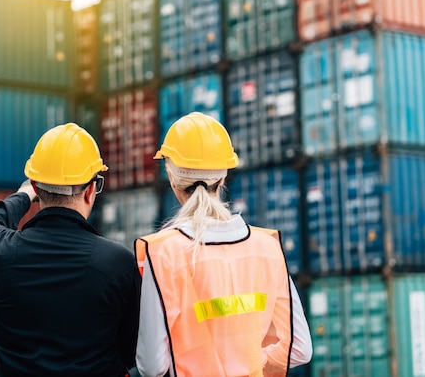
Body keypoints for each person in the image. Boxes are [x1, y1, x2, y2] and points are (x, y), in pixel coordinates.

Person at [134, 112, 312, 377]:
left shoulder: (164, 252)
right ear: (223, 178)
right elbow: (299, 349)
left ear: (171, 177)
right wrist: (251, 361)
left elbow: (152, 366)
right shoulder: (266, 247)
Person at [0, 122, 141, 377]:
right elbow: (132, 352)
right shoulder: (118, 263)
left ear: (37, 188)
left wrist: (23, 195)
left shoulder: (0, 252)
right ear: (91, 190)